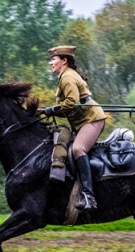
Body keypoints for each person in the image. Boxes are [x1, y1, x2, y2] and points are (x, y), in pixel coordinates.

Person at [42, 45, 107, 212]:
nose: (51, 63)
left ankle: (89, 196)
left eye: (53, 59)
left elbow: (71, 102)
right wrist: (49, 111)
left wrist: (52, 110)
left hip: (92, 119)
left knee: (78, 149)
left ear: (63, 61)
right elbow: (69, 107)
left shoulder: (67, 77)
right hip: (83, 121)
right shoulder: (66, 76)